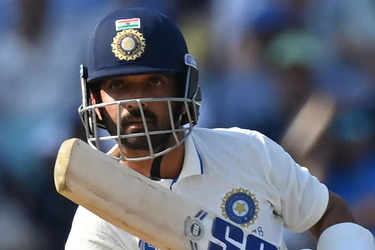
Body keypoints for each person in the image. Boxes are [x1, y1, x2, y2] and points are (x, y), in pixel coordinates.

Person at [65, 8, 374, 250]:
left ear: (186, 87)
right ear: (94, 98)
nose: (135, 101)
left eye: (153, 82)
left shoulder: (250, 152)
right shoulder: (96, 223)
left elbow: (328, 211)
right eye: (118, 86)